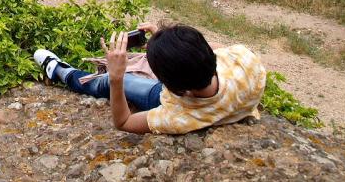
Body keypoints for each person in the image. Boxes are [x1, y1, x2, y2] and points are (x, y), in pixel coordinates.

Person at [33, 22, 266, 134]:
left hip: (188, 102)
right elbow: (211, 49)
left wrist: (116, 78)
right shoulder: (247, 61)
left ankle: (63, 72)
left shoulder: (177, 115)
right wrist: (166, 39)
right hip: (205, 92)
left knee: (105, 83)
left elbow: (122, 123)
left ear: (171, 87)